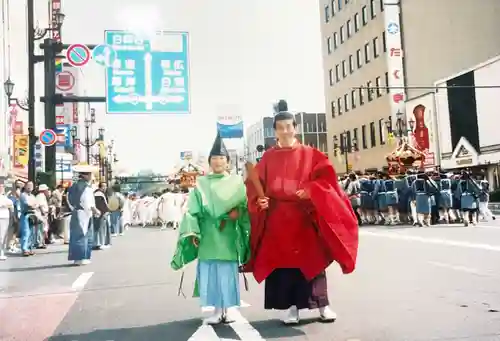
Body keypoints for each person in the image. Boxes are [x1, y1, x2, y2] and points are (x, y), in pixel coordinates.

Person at [244, 107, 359, 325]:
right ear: (275, 132)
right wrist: (261, 200)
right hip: (278, 219)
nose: (285, 131)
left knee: (312, 262)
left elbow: (327, 181)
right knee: (285, 266)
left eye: (289, 127)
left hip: (304, 217)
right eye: (280, 128)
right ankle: (292, 308)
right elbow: (253, 185)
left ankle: (323, 306)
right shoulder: (268, 158)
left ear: (295, 129)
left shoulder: (311, 154)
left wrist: (311, 190)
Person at [171, 131, 250, 325]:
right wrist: (194, 231)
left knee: (227, 271)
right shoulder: (201, 183)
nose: (217, 161)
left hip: (228, 232)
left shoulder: (236, 182)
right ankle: (215, 310)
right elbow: (192, 210)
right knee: (211, 271)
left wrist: (237, 213)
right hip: (207, 233)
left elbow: (246, 206)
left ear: (228, 161)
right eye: (214, 158)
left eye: (221, 158)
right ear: (209, 161)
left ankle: (229, 309)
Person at [68, 165, 101, 265]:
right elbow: (88, 202)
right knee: (83, 235)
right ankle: (81, 257)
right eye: (90, 174)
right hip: (83, 213)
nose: (91, 176)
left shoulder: (75, 186)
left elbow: (69, 199)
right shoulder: (85, 187)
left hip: (77, 212)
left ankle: (78, 257)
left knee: (78, 235)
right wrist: (95, 210)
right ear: (85, 175)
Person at [19, 182, 38, 256]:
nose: (30, 187)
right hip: (25, 215)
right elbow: (27, 204)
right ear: (25, 186)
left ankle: (30, 248)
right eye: (29, 185)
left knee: (31, 233)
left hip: (32, 215)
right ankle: (24, 249)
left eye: (31, 186)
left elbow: (36, 204)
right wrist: (33, 205)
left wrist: (34, 205)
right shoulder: (23, 195)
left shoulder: (32, 196)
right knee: (26, 232)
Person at [93, 182, 111, 249]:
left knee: (97, 229)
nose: (105, 188)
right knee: (101, 229)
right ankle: (101, 243)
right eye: (104, 186)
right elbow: (100, 205)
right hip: (101, 214)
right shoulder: (99, 194)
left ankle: (97, 243)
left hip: (97, 214)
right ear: (100, 187)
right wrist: (105, 212)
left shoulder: (97, 193)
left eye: (106, 186)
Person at [0, 182, 14, 260]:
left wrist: (5, 204)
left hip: (5, 217)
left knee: (4, 235)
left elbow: (11, 205)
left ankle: (2, 251)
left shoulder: (5, 197)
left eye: (2, 187)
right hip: (1, 217)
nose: (1, 189)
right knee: (1, 236)